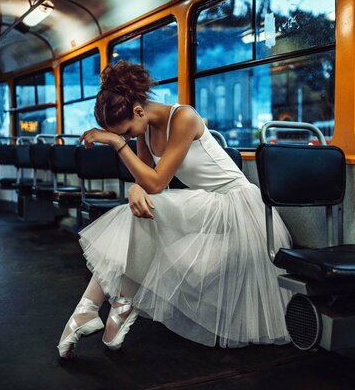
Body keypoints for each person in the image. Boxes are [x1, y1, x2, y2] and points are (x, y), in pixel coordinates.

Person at [57, 61, 292, 359]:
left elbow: (154, 183)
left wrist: (116, 144)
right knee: (139, 213)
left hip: (237, 206)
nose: (128, 137)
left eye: (127, 131)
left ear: (139, 111)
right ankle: (101, 308)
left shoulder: (184, 118)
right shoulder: (143, 130)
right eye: (124, 136)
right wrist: (135, 187)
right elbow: (145, 179)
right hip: (206, 204)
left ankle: (101, 308)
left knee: (140, 210)